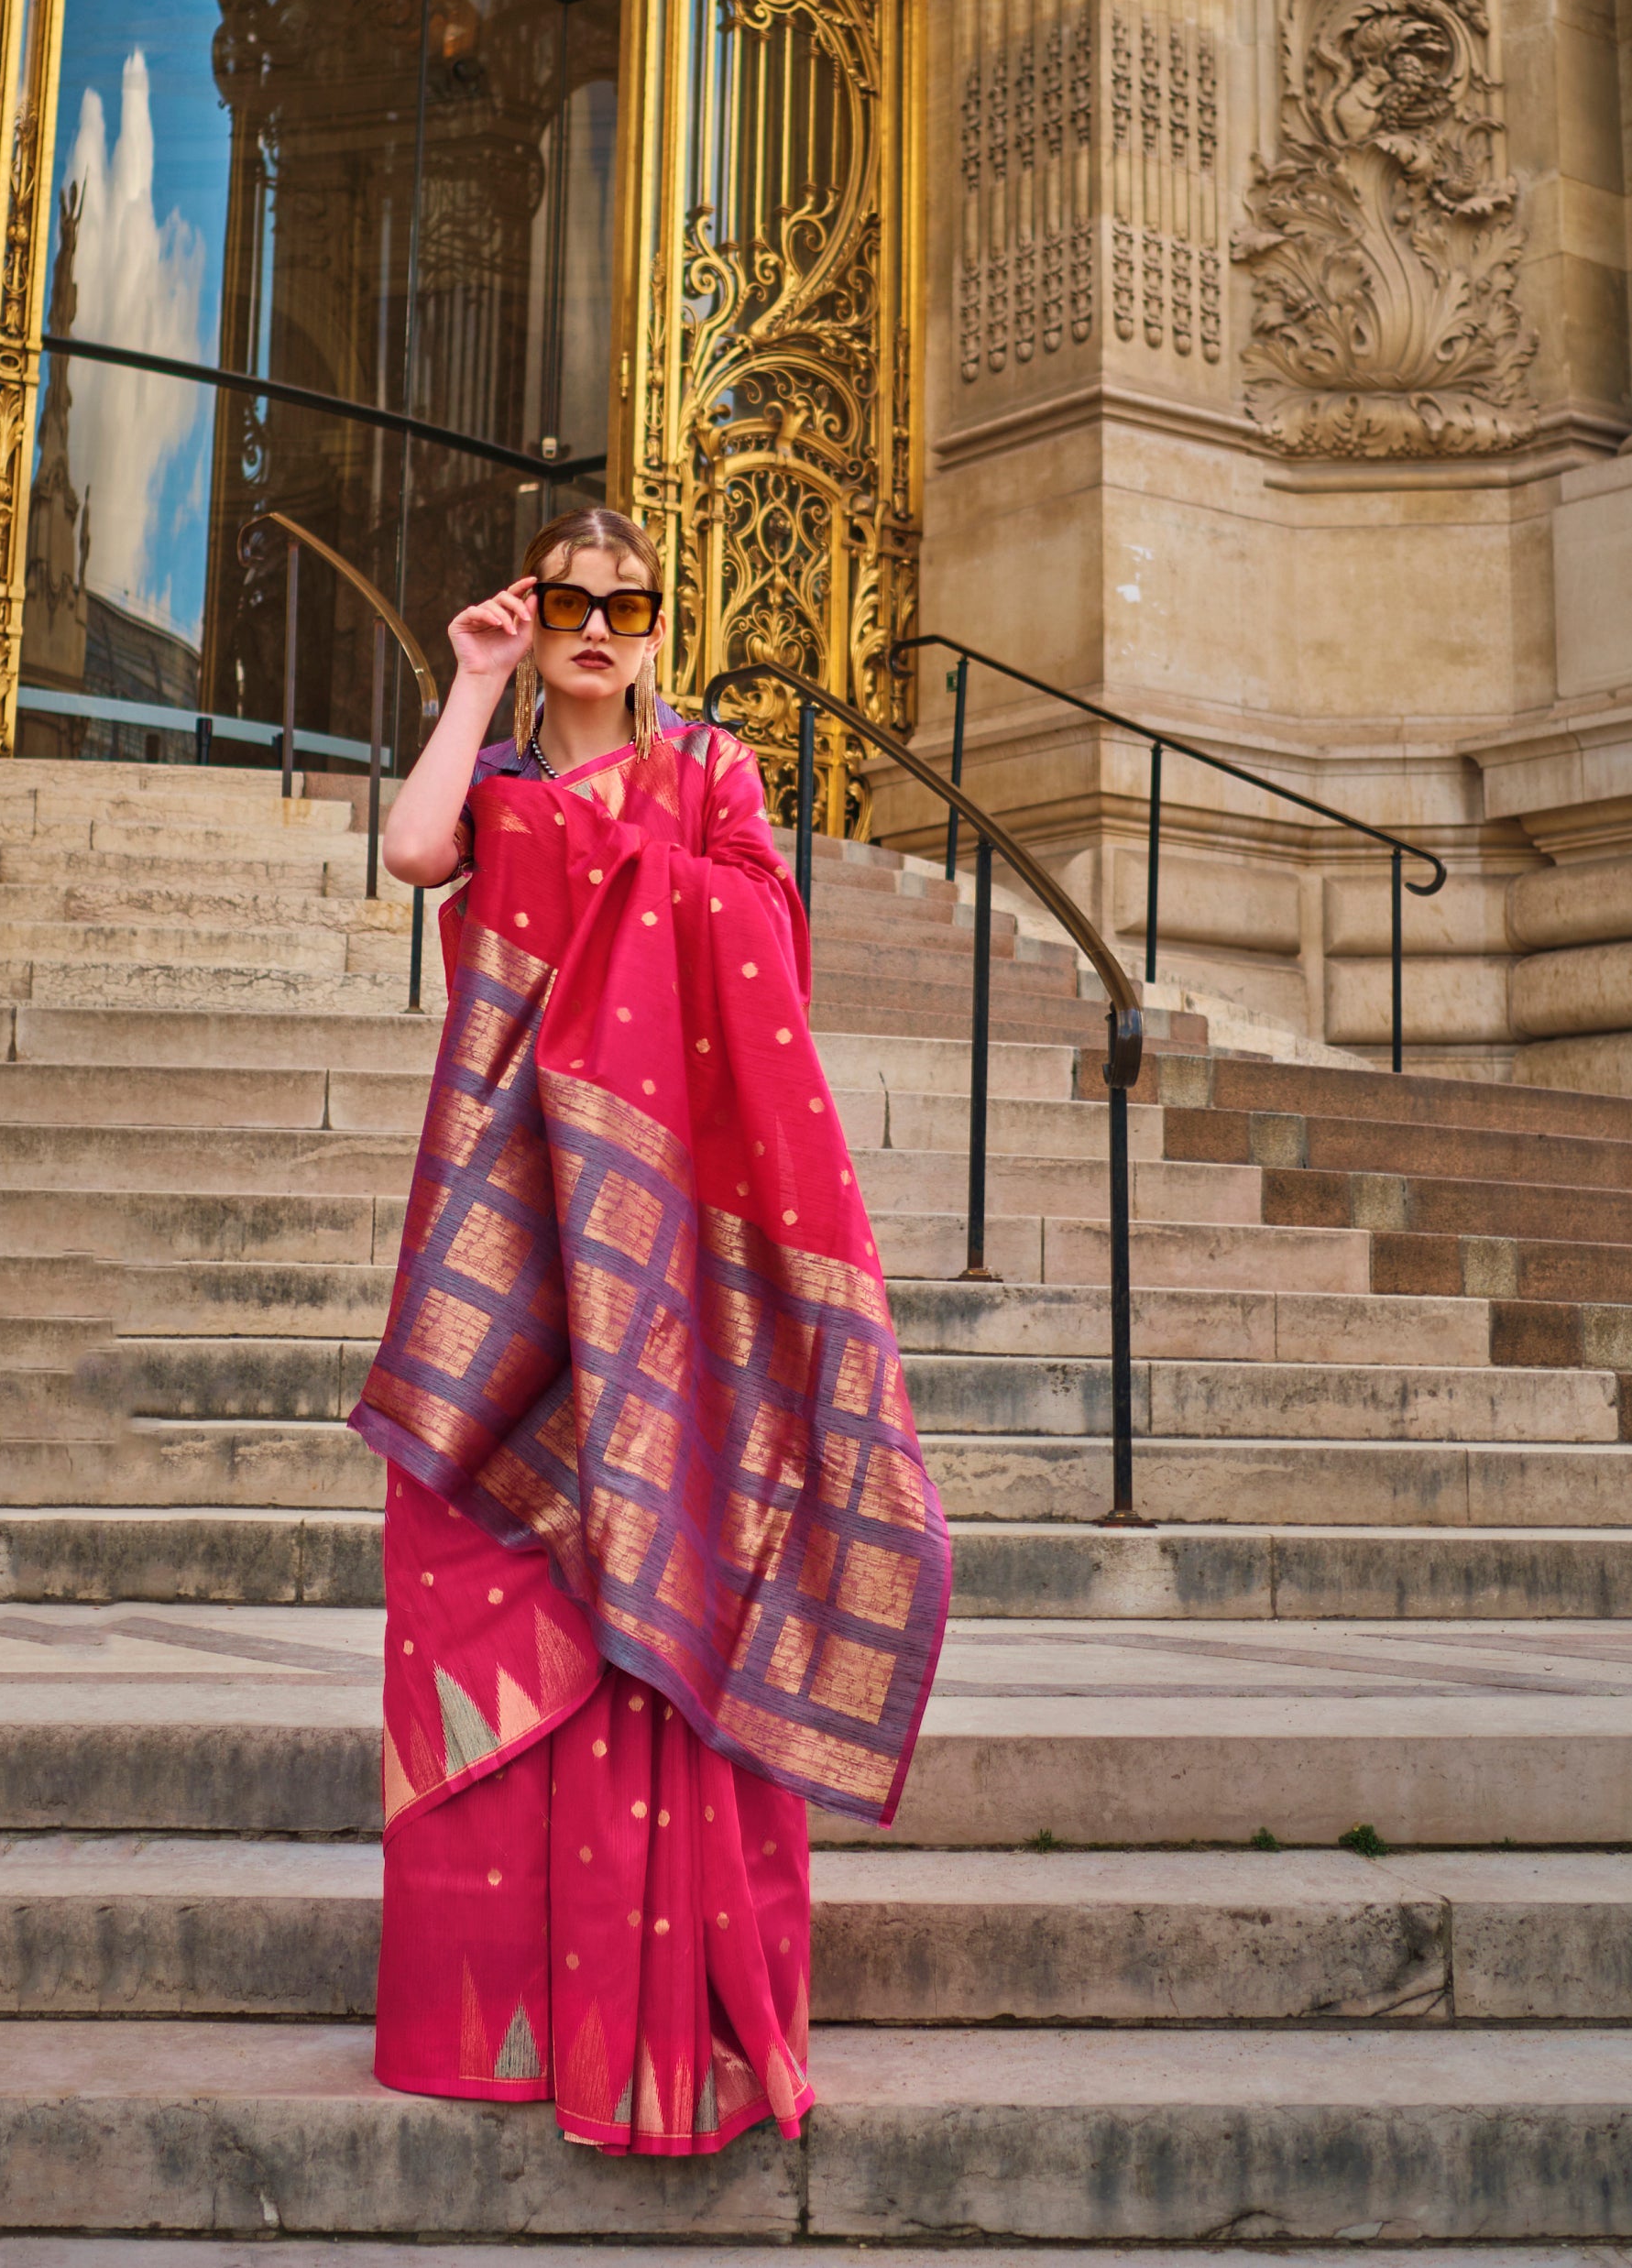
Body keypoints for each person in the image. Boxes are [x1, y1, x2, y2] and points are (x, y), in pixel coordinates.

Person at [353, 506, 948, 2156]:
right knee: (491, 1555)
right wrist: (469, 687)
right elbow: (413, 856)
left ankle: (658, 2018)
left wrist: (626, 870)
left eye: (626, 604)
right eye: (565, 603)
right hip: (512, 1215)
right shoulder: (508, 785)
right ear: (528, 615)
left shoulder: (713, 776)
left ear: (662, 623)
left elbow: (761, 938)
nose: (596, 626)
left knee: (665, 1544)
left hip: (668, 1233)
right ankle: (508, 2017)